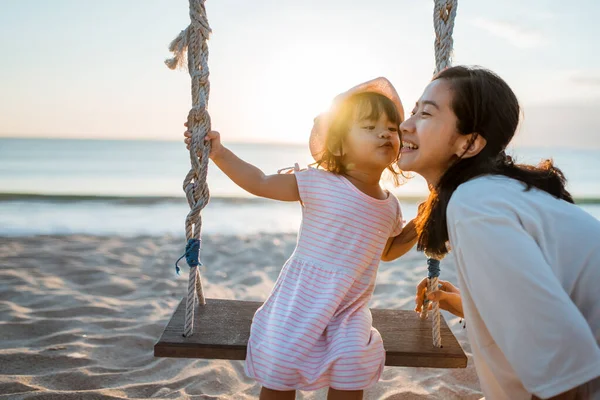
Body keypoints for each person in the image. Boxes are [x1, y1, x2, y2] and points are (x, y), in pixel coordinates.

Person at [185, 77, 417, 400]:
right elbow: (261, 182)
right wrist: (219, 153)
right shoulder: (320, 184)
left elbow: (387, 250)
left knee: (352, 363)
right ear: (338, 146)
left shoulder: (389, 205)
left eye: (392, 128)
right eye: (369, 127)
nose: (385, 133)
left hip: (349, 309)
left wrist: (420, 226)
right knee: (282, 359)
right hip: (303, 299)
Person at [401, 65, 600, 399]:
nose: (405, 125)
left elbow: (564, 374)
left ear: (470, 143)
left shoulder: (475, 204)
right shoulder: (495, 192)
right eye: (412, 111)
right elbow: (548, 310)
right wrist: (470, 304)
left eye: (426, 113)